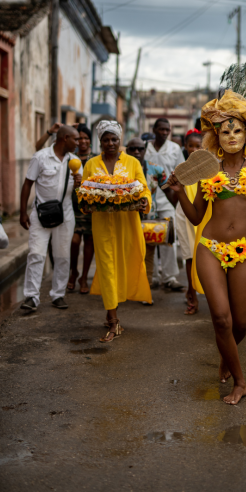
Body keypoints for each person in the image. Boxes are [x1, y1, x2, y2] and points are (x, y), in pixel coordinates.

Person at [166, 59, 246, 405]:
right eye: (225, 131)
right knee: (221, 319)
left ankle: (228, 356)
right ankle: (240, 382)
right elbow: (195, 218)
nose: (231, 136)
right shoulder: (206, 171)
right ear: (216, 137)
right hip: (209, 247)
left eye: (238, 130)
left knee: (241, 324)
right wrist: (178, 192)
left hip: (243, 250)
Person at [82, 121, 153, 342]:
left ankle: (110, 308)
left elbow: (144, 188)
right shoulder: (91, 164)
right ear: (100, 141)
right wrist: (84, 202)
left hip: (127, 224)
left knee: (127, 264)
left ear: (119, 140)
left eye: (114, 139)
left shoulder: (132, 162)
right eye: (106, 139)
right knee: (106, 267)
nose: (110, 143)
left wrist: (144, 202)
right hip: (102, 225)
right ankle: (114, 322)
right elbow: (83, 191)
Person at [19, 125, 82, 312]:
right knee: (36, 254)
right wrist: (23, 212)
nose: (78, 143)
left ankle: (58, 295)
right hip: (40, 215)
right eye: (75, 139)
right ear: (64, 138)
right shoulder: (40, 157)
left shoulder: (76, 161)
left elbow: (82, 193)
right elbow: (27, 184)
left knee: (62, 256)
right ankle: (31, 296)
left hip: (66, 215)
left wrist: (80, 184)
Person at [126, 137, 179, 297]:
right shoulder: (120, 170)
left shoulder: (156, 170)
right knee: (129, 254)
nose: (137, 152)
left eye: (140, 149)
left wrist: (180, 206)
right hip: (125, 219)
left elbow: (169, 192)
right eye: (133, 149)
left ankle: (146, 289)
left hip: (149, 219)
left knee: (148, 255)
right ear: (127, 151)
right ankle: (128, 287)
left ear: (145, 150)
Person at [144, 118, 185, 291]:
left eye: (167, 129)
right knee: (148, 237)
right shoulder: (144, 148)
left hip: (167, 199)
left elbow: (182, 172)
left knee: (169, 237)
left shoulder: (175, 149)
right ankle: (150, 276)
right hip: (147, 200)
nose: (164, 132)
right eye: (161, 129)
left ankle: (169, 277)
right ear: (154, 129)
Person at [176, 130, 203, 315]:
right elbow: (174, 191)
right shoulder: (180, 168)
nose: (194, 150)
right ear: (185, 147)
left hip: (202, 215)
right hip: (183, 214)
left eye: (198, 146)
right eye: (190, 146)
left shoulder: (210, 169)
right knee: (189, 256)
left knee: (204, 255)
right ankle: (192, 295)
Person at [67, 124, 95, 294]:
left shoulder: (95, 159)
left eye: (85, 138)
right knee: (74, 241)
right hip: (72, 207)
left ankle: (83, 276)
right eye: (79, 138)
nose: (82, 141)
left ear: (90, 140)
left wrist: (84, 183)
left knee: (89, 243)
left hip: (91, 207)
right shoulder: (69, 158)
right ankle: (73, 271)